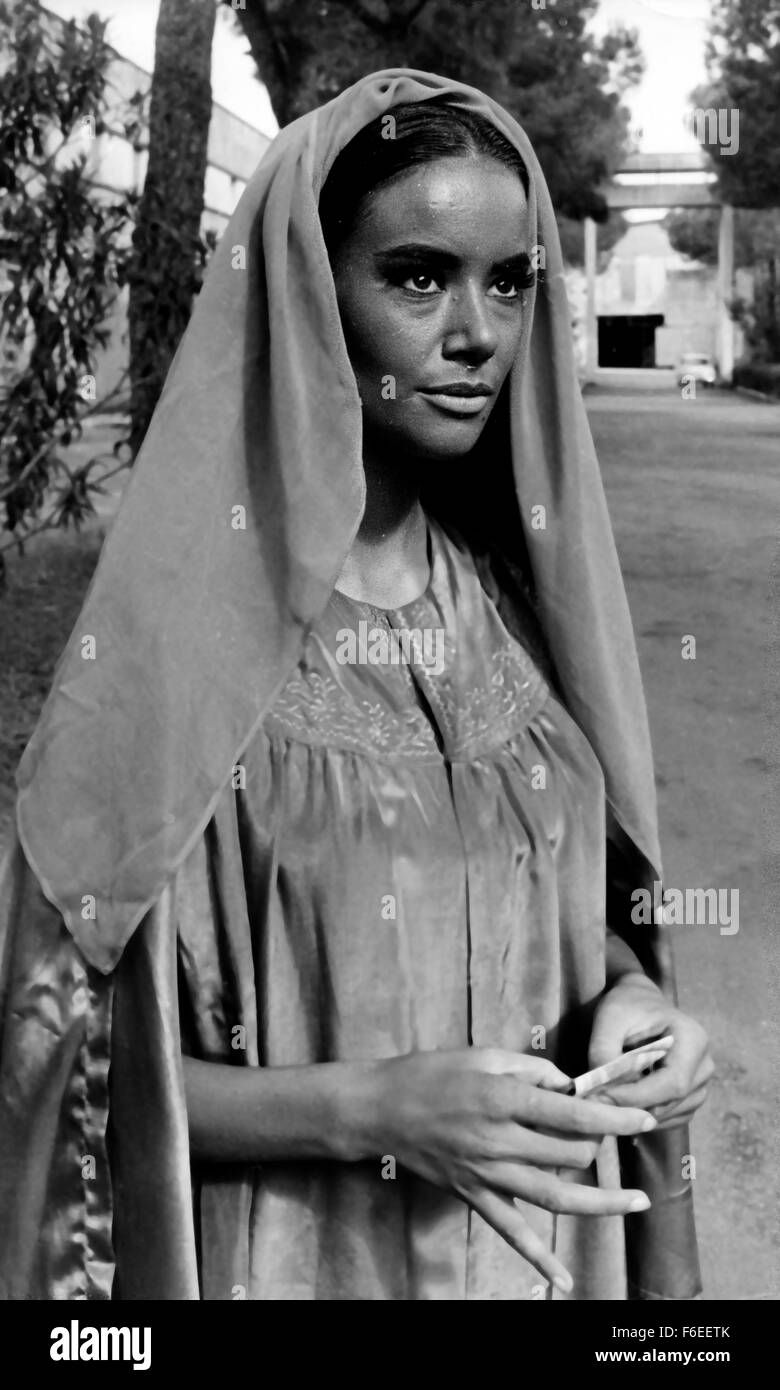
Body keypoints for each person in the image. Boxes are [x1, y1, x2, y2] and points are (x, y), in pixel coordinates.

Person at [0, 69, 712, 1302]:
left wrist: (635, 1001)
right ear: (309, 296)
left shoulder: (516, 618)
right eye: (420, 275)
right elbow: (57, 1067)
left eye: (510, 281)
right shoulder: (172, 663)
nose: (479, 332)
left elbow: (570, 908)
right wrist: (372, 1110)